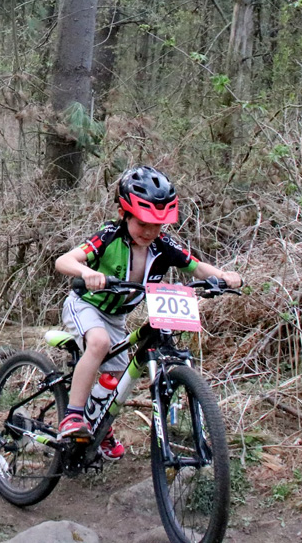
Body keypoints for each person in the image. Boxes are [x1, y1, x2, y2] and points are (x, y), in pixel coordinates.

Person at [53, 165, 242, 460]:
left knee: (116, 377)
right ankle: (73, 416)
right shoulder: (108, 236)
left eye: (157, 225)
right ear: (123, 214)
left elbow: (196, 266)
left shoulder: (162, 245)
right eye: (142, 224)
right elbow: (64, 260)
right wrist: (86, 272)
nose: (150, 232)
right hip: (86, 304)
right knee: (100, 344)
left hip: (116, 317)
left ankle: (99, 427)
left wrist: (223, 276)